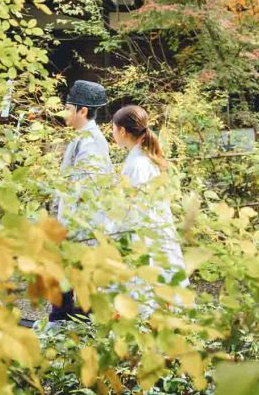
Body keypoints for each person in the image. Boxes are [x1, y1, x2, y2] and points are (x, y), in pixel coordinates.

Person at [50, 79, 113, 323]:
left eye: (68, 107)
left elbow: (84, 189)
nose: (65, 112)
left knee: (73, 278)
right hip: (78, 222)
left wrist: (67, 226)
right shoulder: (84, 138)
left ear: (82, 111)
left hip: (81, 224)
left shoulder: (90, 142)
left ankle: (62, 323)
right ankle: (68, 322)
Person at [111, 105, 186, 290]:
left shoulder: (137, 163)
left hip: (144, 235)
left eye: (113, 129)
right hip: (155, 231)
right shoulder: (145, 158)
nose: (112, 133)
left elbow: (132, 206)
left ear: (122, 130)